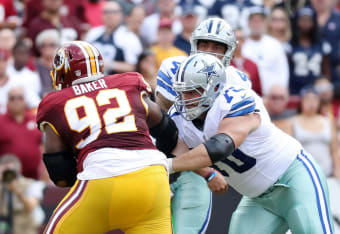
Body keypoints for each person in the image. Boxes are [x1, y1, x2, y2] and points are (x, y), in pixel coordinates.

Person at [164, 53, 334, 233]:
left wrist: (168, 165)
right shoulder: (179, 117)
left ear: (214, 88)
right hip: (258, 199)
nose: (186, 99)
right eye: (182, 92)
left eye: (192, 91)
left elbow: (219, 147)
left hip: (293, 177)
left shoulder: (233, 101)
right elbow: (180, 154)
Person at [36, 40, 179, 234]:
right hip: (153, 177)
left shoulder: (55, 103)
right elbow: (167, 129)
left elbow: (61, 175)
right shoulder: (129, 82)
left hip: (103, 179)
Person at [154, 17, 251, 234]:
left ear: (229, 51)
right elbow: (162, 128)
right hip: (160, 162)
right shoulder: (173, 67)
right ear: (193, 45)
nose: (208, 51)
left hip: (195, 167)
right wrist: (206, 171)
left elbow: (225, 138)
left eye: (217, 47)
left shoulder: (238, 81)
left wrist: (204, 169)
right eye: (204, 44)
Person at [0, 86, 44, 180]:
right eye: (12, 98)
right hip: (7, 179)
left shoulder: (35, 119)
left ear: (25, 101)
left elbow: (43, 147)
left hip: (33, 178)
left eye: (20, 98)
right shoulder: (1, 121)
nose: (16, 101)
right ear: (7, 102)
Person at [0, 154, 46, 234]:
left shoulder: (31, 184)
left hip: (24, 228)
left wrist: (17, 191)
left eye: (10, 171)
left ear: (19, 171)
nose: (8, 175)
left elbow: (30, 207)